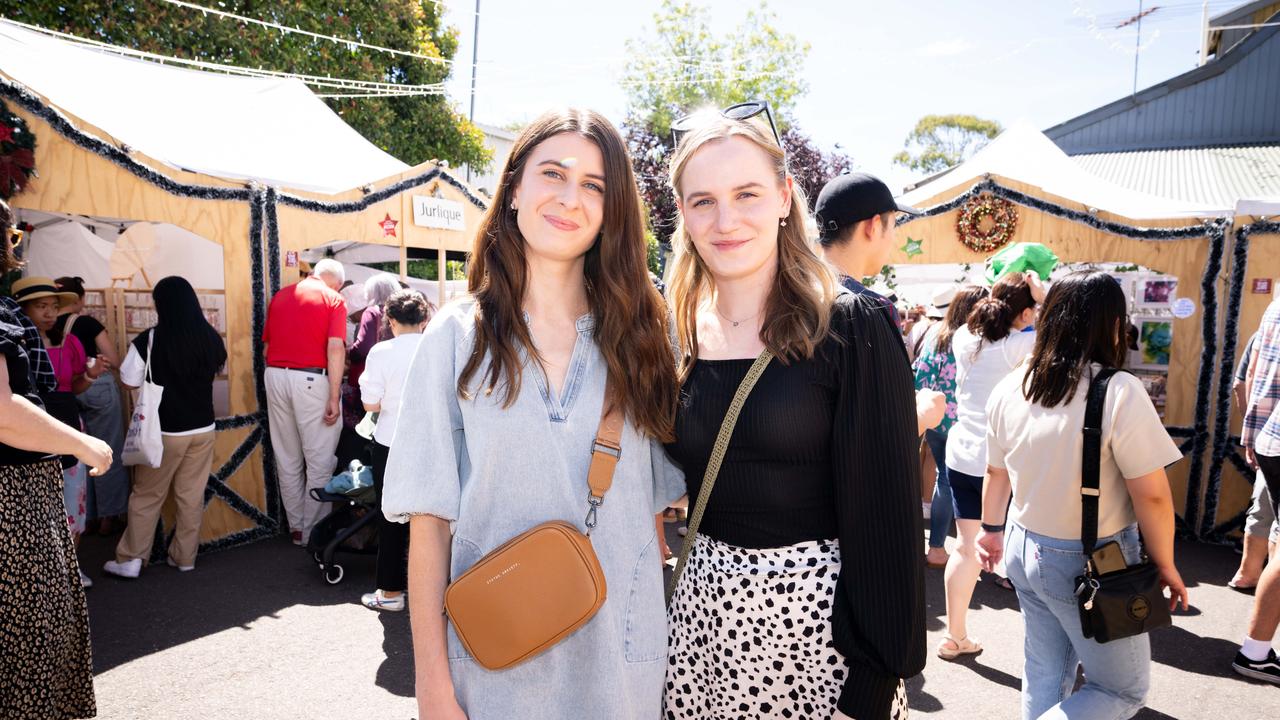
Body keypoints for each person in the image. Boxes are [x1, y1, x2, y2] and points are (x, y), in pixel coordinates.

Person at [381, 108, 685, 720]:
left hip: (623, 671)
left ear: (611, 209)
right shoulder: (453, 340)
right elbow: (428, 527)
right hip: (492, 674)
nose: (570, 198)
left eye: (594, 185)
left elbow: (653, 522)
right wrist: (432, 687)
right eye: (553, 173)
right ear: (514, 187)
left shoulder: (647, 339)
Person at [661, 104, 923, 720]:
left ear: (784, 197)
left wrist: (873, 682)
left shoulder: (849, 325)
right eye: (703, 201)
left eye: (746, 193)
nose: (725, 220)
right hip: (698, 631)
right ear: (684, 215)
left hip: (815, 643)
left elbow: (889, 519)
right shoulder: (680, 333)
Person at [976, 270, 1189, 718]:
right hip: (1091, 558)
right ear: (1112, 324)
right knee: (1120, 690)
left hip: (1022, 543)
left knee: (1045, 672)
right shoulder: (1117, 391)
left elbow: (997, 474)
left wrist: (991, 531)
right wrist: (1165, 564)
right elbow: (1152, 497)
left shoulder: (1012, 386)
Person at [0, 199, 111, 720]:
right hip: (13, 491)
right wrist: (82, 444)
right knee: (29, 635)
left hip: (32, 475)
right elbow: (4, 411)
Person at [939, 270, 1044, 660]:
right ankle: (1049, 649)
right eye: (1032, 309)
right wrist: (1042, 296)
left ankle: (955, 635)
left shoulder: (965, 339)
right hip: (1002, 464)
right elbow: (1062, 331)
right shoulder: (1020, 345)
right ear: (1024, 313)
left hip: (961, 455)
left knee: (966, 550)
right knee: (1025, 550)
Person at [104, 276, 228, 578]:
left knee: (147, 495)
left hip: (163, 431)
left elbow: (129, 380)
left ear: (160, 304)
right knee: (191, 496)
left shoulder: (148, 340)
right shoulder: (210, 337)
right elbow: (217, 370)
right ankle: (185, 557)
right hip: (203, 428)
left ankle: (132, 558)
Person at [816, 172, 946, 435]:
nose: (894, 239)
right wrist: (923, 414)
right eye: (893, 226)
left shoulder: (790, 293)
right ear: (873, 226)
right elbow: (881, 429)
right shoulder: (869, 310)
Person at [15, 276, 108, 588]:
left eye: (54, 306)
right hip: (28, 435)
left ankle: (71, 569)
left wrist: (92, 377)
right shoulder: (14, 347)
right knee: (37, 508)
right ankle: (44, 577)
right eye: (41, 306)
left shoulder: (70, 342)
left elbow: (75, 386)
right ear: (22, 310)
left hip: (68, 425)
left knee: (73, 502)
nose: (50, 313)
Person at [262, 257, 347, 545]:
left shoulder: (282, 296)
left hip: (275, 375)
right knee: (319, 458)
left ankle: (297, 526)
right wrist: (334, 395)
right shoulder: (333, 299)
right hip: (311, 378)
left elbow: (267, 346)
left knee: (287, 456)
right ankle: (313, 533)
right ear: (337, 282)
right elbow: (335, 347)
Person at [357, 288, 432, 612]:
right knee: (434, 516)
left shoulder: (381, 352)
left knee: (390, 516)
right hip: (433, 440)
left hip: (391, 441)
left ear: (390, 320)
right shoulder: (438, 347)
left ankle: (390, 593)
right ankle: (435, 594)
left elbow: (370, 403)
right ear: (425, 318)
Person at [914, 285, 990, 570]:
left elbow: (920, 375)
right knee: (973, 482)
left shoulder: (936, 334)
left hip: (934, 417)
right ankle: (969, 546)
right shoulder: (975, 340)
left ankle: (937, 548)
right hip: (967, 423)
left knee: (944, 480)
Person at [55, 275, 128, 536]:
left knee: (80, 454)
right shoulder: (87, 322)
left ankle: (87, 516)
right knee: (108, 448)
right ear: (79, 299)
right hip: (97, 386)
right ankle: (110, 516)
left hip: (66, 390)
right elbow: (114, 358)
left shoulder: (45, 324)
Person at [1237, 295, 1280, 684]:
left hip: (1271, 438)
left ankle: (1256, 650)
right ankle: (1254, 650)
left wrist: (1252, 434)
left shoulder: (1275, 305)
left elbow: (1254, 375)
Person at [1231, 331, 1276, 591]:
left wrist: (1253, 431)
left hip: (1268, 437)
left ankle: (1247, 573)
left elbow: (1242, 383)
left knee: (1263, 506)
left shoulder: (1264, 332)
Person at [345, 273, 399, 428]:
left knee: (365, 426)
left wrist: (349, 353)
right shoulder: (401, 313)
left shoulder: (373, 311)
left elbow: (363, 347)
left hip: (372, 377)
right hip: (396, 375)